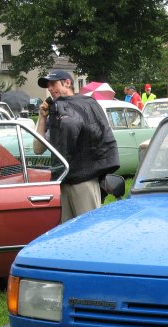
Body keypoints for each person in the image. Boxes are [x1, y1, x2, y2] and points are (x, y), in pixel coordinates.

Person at [34, 70, 119, 222]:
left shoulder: (87, 105)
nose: (50, 89)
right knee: (69, 232)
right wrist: (42, 118)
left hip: (85, 180)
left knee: (89, 227)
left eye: (53, 84)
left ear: (67, 82)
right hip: (64, 181)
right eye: (48, 86)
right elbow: (38, 149)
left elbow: (102, 139)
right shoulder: (54, 112)